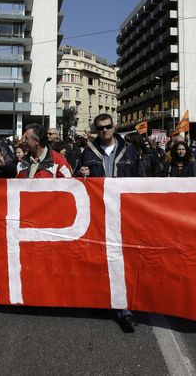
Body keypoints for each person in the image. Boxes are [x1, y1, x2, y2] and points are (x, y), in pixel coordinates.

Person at [75, 113, 143, 332]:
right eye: (100, 128)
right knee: (98, 259)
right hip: (97, 215)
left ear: (114, 127)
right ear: (96, 130)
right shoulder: (87, 152)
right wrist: (81, 172)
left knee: (122, 261)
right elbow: (76, 183)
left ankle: (125, 310)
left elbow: (141, 182)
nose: (104, 131)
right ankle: (101, 300)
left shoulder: (130, 151)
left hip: (124, 214)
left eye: (108, 127)